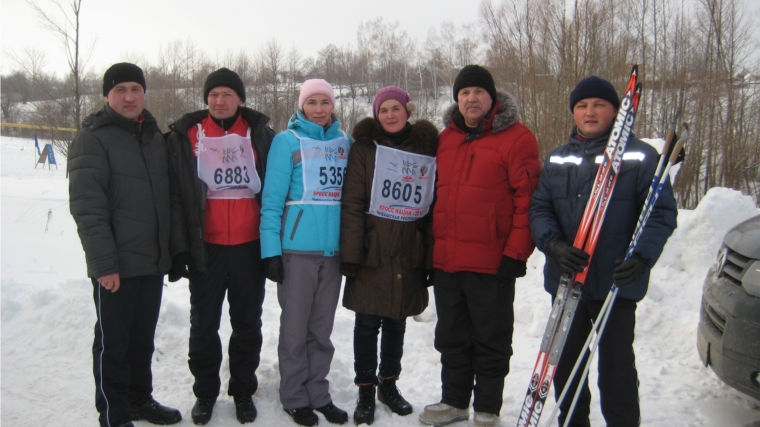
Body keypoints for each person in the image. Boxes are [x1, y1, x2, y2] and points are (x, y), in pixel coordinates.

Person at [529, 75, 678, 427]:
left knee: (616, 368)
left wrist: (641, 258)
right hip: (568, 282)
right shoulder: (557, 158)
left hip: (615, 284)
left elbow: (660, 213)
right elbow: (539, 208)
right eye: (582, 106)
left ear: (616, 111)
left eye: (599, 105)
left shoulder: (642, 157)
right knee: (566, 365)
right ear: (573, 113)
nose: (590, 112)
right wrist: (553, 244)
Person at [419, 65, 542, 427]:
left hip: (492, 261)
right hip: (448, 261)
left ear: (492, 98)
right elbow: (432, 199)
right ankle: (455, 401)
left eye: (478, 92)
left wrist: (516, 252)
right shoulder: (447, 140)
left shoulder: (518, 139)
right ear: (456, 100)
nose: (471, 99)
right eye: (464, 93)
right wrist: (431, 253)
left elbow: (528, 200)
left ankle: (487, 409)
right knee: (452, 336)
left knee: (491, 337)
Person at [69, 62, 181, 427]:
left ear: (144, 93)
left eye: (135, 88)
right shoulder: (93, 138)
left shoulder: (153, 136)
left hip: (150, 262)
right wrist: (104, 265)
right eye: (120, 90)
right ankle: (114, 415)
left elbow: (166, 199)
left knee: (141, 342)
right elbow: (88, 209)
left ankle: (139, 399)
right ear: (107, 95)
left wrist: (170, 253)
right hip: (115, 265)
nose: (129, 96)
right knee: (113, 345)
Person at [166, 67, 274, 425]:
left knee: (247, 323)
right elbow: (177, 196)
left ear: (240, 99)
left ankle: (243, 391)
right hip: (206, 247)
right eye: (213, 95)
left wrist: (274, 248)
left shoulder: (259, 134)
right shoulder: (188, 136)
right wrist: (180, 247)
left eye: (227, 94)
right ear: (205, 100)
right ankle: (205, 392)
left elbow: (276, 193)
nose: (220, 101)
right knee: (203, 325)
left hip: (248, 245)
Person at [340, 86, 438, 425]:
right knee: (367, 322)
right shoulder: (364, 149)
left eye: (396, 108)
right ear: (376, 114)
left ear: (407, 111)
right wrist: (351, 253)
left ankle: (388, 383)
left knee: (396, 320)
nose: (391, 115)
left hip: (408, 248)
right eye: (384, 110)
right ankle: (366, 387)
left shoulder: (426, 149)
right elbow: (352, 202)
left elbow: (431, 208)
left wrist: (430, 259)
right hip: (372, 249)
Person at [260, 79, 351, 427]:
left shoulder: (345, 142)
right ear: (301, 106)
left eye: (324, 102)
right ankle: (295, 396)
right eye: (311, 102)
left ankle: (319, 394)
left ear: (332, 106)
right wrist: (271, 251)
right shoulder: (287, 141)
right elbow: (271, 201)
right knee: (295, 329)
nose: (319, 108)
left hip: (332, 253)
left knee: (322, 331)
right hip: (296, 251)